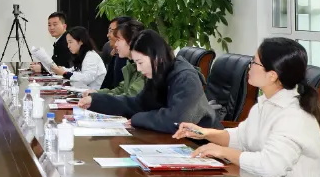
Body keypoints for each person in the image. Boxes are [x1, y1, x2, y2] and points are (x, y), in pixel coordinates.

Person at [174, 37, 320, 177]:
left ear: (272, 76)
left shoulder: (293, 116)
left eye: (254, 62)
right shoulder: (266, 104)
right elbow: (241, 138)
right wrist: (204, 133)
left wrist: (222, 151)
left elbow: (270, 167)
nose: (249, 67)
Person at [80, 29, 218, 134]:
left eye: (140, 62)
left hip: (202, 144)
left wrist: (138, 119)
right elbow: (137, 104)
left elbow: (177, 120)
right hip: (171, 139)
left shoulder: (186, 77)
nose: (138, 69)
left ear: (156, 57)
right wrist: (96, 100)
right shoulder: (158, 73)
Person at [50, 26, 106, 90]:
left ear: (80, 41)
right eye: (67, 43)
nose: (68, 46)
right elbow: (74, 70)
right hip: (84, 90)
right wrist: (61, 69)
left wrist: (64, 73)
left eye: (70, 42)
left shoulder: (91, 56)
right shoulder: (82, 55)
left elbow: (87, 79)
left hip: (93, 92)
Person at [99, 18, 145, 96]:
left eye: (118, 40)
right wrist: (95, 94)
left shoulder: (147, 66)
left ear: (131, 41)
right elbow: (121, 89)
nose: (116, 44)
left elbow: (130, 97)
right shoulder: (132, 64)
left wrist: (97, 98)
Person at [100, 16, 133, 91]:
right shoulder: (117, 56)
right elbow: (115, 88)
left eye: (111, 31)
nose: (107, 35)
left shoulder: (138, 63)